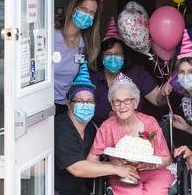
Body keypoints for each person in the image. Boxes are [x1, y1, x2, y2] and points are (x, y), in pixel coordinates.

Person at [55, 61, 139, 195]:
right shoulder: (62, 127)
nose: (85, 105)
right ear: (69, 104)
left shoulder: (90, 128)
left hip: (78, 190)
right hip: (55, 189)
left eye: (89, 102)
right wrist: (116, 169)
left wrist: (114, 163)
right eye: (80, 101)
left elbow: (92, 162)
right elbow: (77, 168)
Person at [87, 73, 175, 195]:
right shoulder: (107, 127)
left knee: (155, 192)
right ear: (112, 105)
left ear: (136, 103)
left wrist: (152, 166)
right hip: (121, 174)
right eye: (117, 102)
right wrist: (111, 165)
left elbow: (166, 158)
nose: (122, 106)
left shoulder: (150, 123)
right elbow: (91, 161)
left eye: (127, 100)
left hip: (154, 173)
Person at [89, 17, 170, 126]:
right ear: (101, 57)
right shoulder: (93, 78)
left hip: (134, 133)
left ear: (124, 56)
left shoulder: (137, 73)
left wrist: (163, 93)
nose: (113, 58)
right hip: (99, 132)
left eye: (117, 54)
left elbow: (159, 101)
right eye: (108, 54)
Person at [54, 0, 104, 114]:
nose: (86, 15)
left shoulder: (86, 44)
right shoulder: (52, 34)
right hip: (41, 105)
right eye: (83, 9)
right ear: (73, 8)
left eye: (92, 13)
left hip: (65, 107)